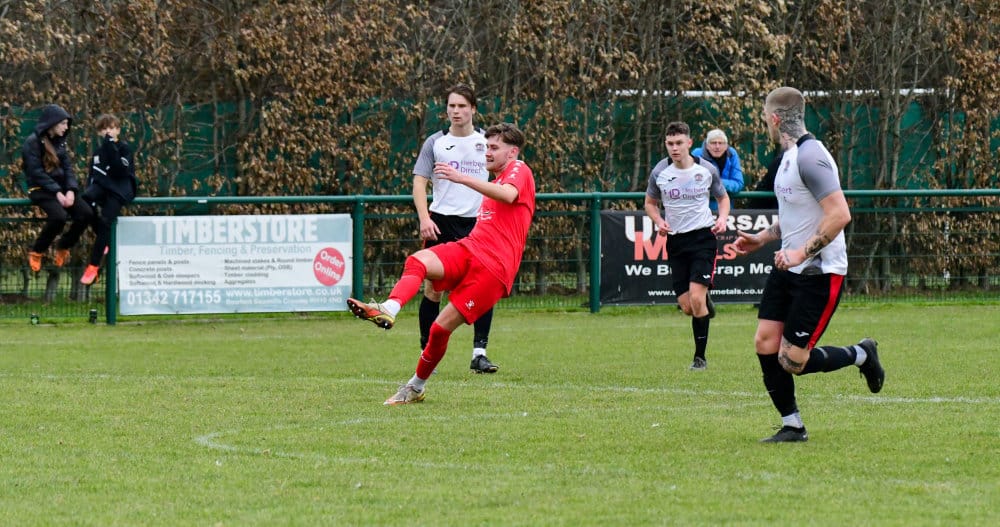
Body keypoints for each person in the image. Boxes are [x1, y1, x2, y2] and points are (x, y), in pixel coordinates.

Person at [733, 86, 885, 443]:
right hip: (788, 267)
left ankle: (862, 354)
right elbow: (797, 215)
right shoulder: (787, 157)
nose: (765, 124)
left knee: (793, 361)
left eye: (765, 118)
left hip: (819, 272)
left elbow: (839, 214)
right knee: (765, 343)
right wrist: (762, 238)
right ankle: (793, 425)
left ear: (774, 119)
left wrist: (801, 253)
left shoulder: (811, 156)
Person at [347, 123, 535, 405]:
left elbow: (509, 195)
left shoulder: (519, 169)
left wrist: (460, 178)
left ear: (513, 152)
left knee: (439, 330)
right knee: (418, 261)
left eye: (494, 148)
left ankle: (415, 387)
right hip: (470, 249)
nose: (487, 152)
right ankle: (389, 308)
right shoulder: (493, 182)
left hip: (493, 270)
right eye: (486, 147)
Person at [412, 84, 498, 374]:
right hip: (441, 222)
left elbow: (503, 178)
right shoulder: (435, 142)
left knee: (484, 286)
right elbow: (419, 181)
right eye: (452, 106)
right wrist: (424, 218)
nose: (456, 111)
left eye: (462, 106)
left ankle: (479, 354)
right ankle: (427, 353)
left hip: (478, 224)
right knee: (433, 289)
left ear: (473, 109)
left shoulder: (487, 142)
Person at [643, 121, 731, 371]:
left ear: (690, 143)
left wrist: (722, 218)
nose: (674, 148)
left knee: (695, 298)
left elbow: (723, 198)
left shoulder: (706, 169)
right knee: (687, 306)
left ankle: (699, 359)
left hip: (703, 238)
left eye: (679, 143)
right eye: (670, 143)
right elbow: (650, 203)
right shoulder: (660, 171)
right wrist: (659, 221)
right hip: (676, 241)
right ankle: (704, 301)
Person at [22, 104, 94, 273]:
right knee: (59, 217)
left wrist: (71, 190)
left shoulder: (61, 143)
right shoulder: (32, 143)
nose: (66, 127)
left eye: (67, 124)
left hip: (62, 190)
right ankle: (37, 251)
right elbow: (36, 172)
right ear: (52, 123)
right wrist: (57, 192)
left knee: (86, 214)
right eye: (63, 123)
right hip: (40, 189)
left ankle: (64, 245)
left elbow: (68, 169)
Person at [80, 113, 138, 285]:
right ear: (99, 132)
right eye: (104, 128)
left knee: (106, 220)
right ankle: (102, 238)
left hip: (119, 191)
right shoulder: (97, 153)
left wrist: (110, 146)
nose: (108, 131)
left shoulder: (124, 148)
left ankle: (93, 266)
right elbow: (93, 176)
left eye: (112, 128)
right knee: (83, 204)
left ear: (118, 130)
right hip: (102, 188)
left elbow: (121, 170)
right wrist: (90, 192)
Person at [692, 128, 744, 211]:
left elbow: (738, 183)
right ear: (707, 145)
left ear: (726, 146)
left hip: (726, 210)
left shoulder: (731, 154)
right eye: (713, 143)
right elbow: (691, 183)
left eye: (721, 143)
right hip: (700, 210)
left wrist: (715, 182)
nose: (717, 147)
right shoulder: (697, 155)